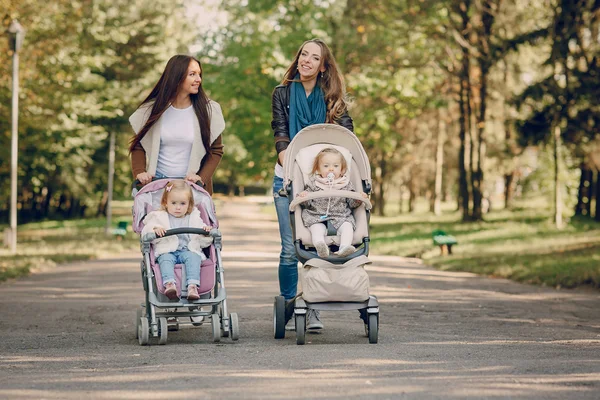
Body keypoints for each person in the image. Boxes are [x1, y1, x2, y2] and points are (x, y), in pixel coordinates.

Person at [271, 39, 354, 331]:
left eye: (313, 57)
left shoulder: (332, 98)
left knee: (316, 243)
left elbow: (347, 139)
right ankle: (291, 307)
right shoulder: (282, 94)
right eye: (303, 54)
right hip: (288, 178)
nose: (306, 60)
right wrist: (295, 170)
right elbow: (281, 134)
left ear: (323, 67)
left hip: (326, 183)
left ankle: (312, 307)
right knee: (290, 250)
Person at [128, 54, 225, 195]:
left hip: (192, 188)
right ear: (177, 77)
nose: (199, 79)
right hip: (157, 187)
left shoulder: (210, 110)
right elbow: (138, 144)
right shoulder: (151, 110)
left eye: (199, 74)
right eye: (192, 74)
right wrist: (140, 172)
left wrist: (201, 178)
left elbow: (216, 150)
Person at [141, 180, 212, 300]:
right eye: (173, 203)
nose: (178, 207)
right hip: (167, 250)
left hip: (188, 250)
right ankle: (169, 285)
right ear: (166, 202)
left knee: (194, 257)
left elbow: (203, 241)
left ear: (189, 204)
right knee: (165, 259)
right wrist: (155, 229)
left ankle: (192, 287)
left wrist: (205, 232)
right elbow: (146, 232)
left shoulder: (194, 217)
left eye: (183, 203)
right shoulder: (159, 216)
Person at [298, 148, 367, 258]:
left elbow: (352, 204)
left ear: (342, 169)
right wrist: (304, 197)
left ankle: (344, 247)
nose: (331, 169)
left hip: (341, 217)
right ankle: (320, 245)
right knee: (316, 228)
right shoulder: (314, 183)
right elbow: (307, 204)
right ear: (318, 169)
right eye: (326, 166)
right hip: (317, 216)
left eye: (335, 166)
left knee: (347, 227)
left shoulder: (345, 184)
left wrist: (358, 198)